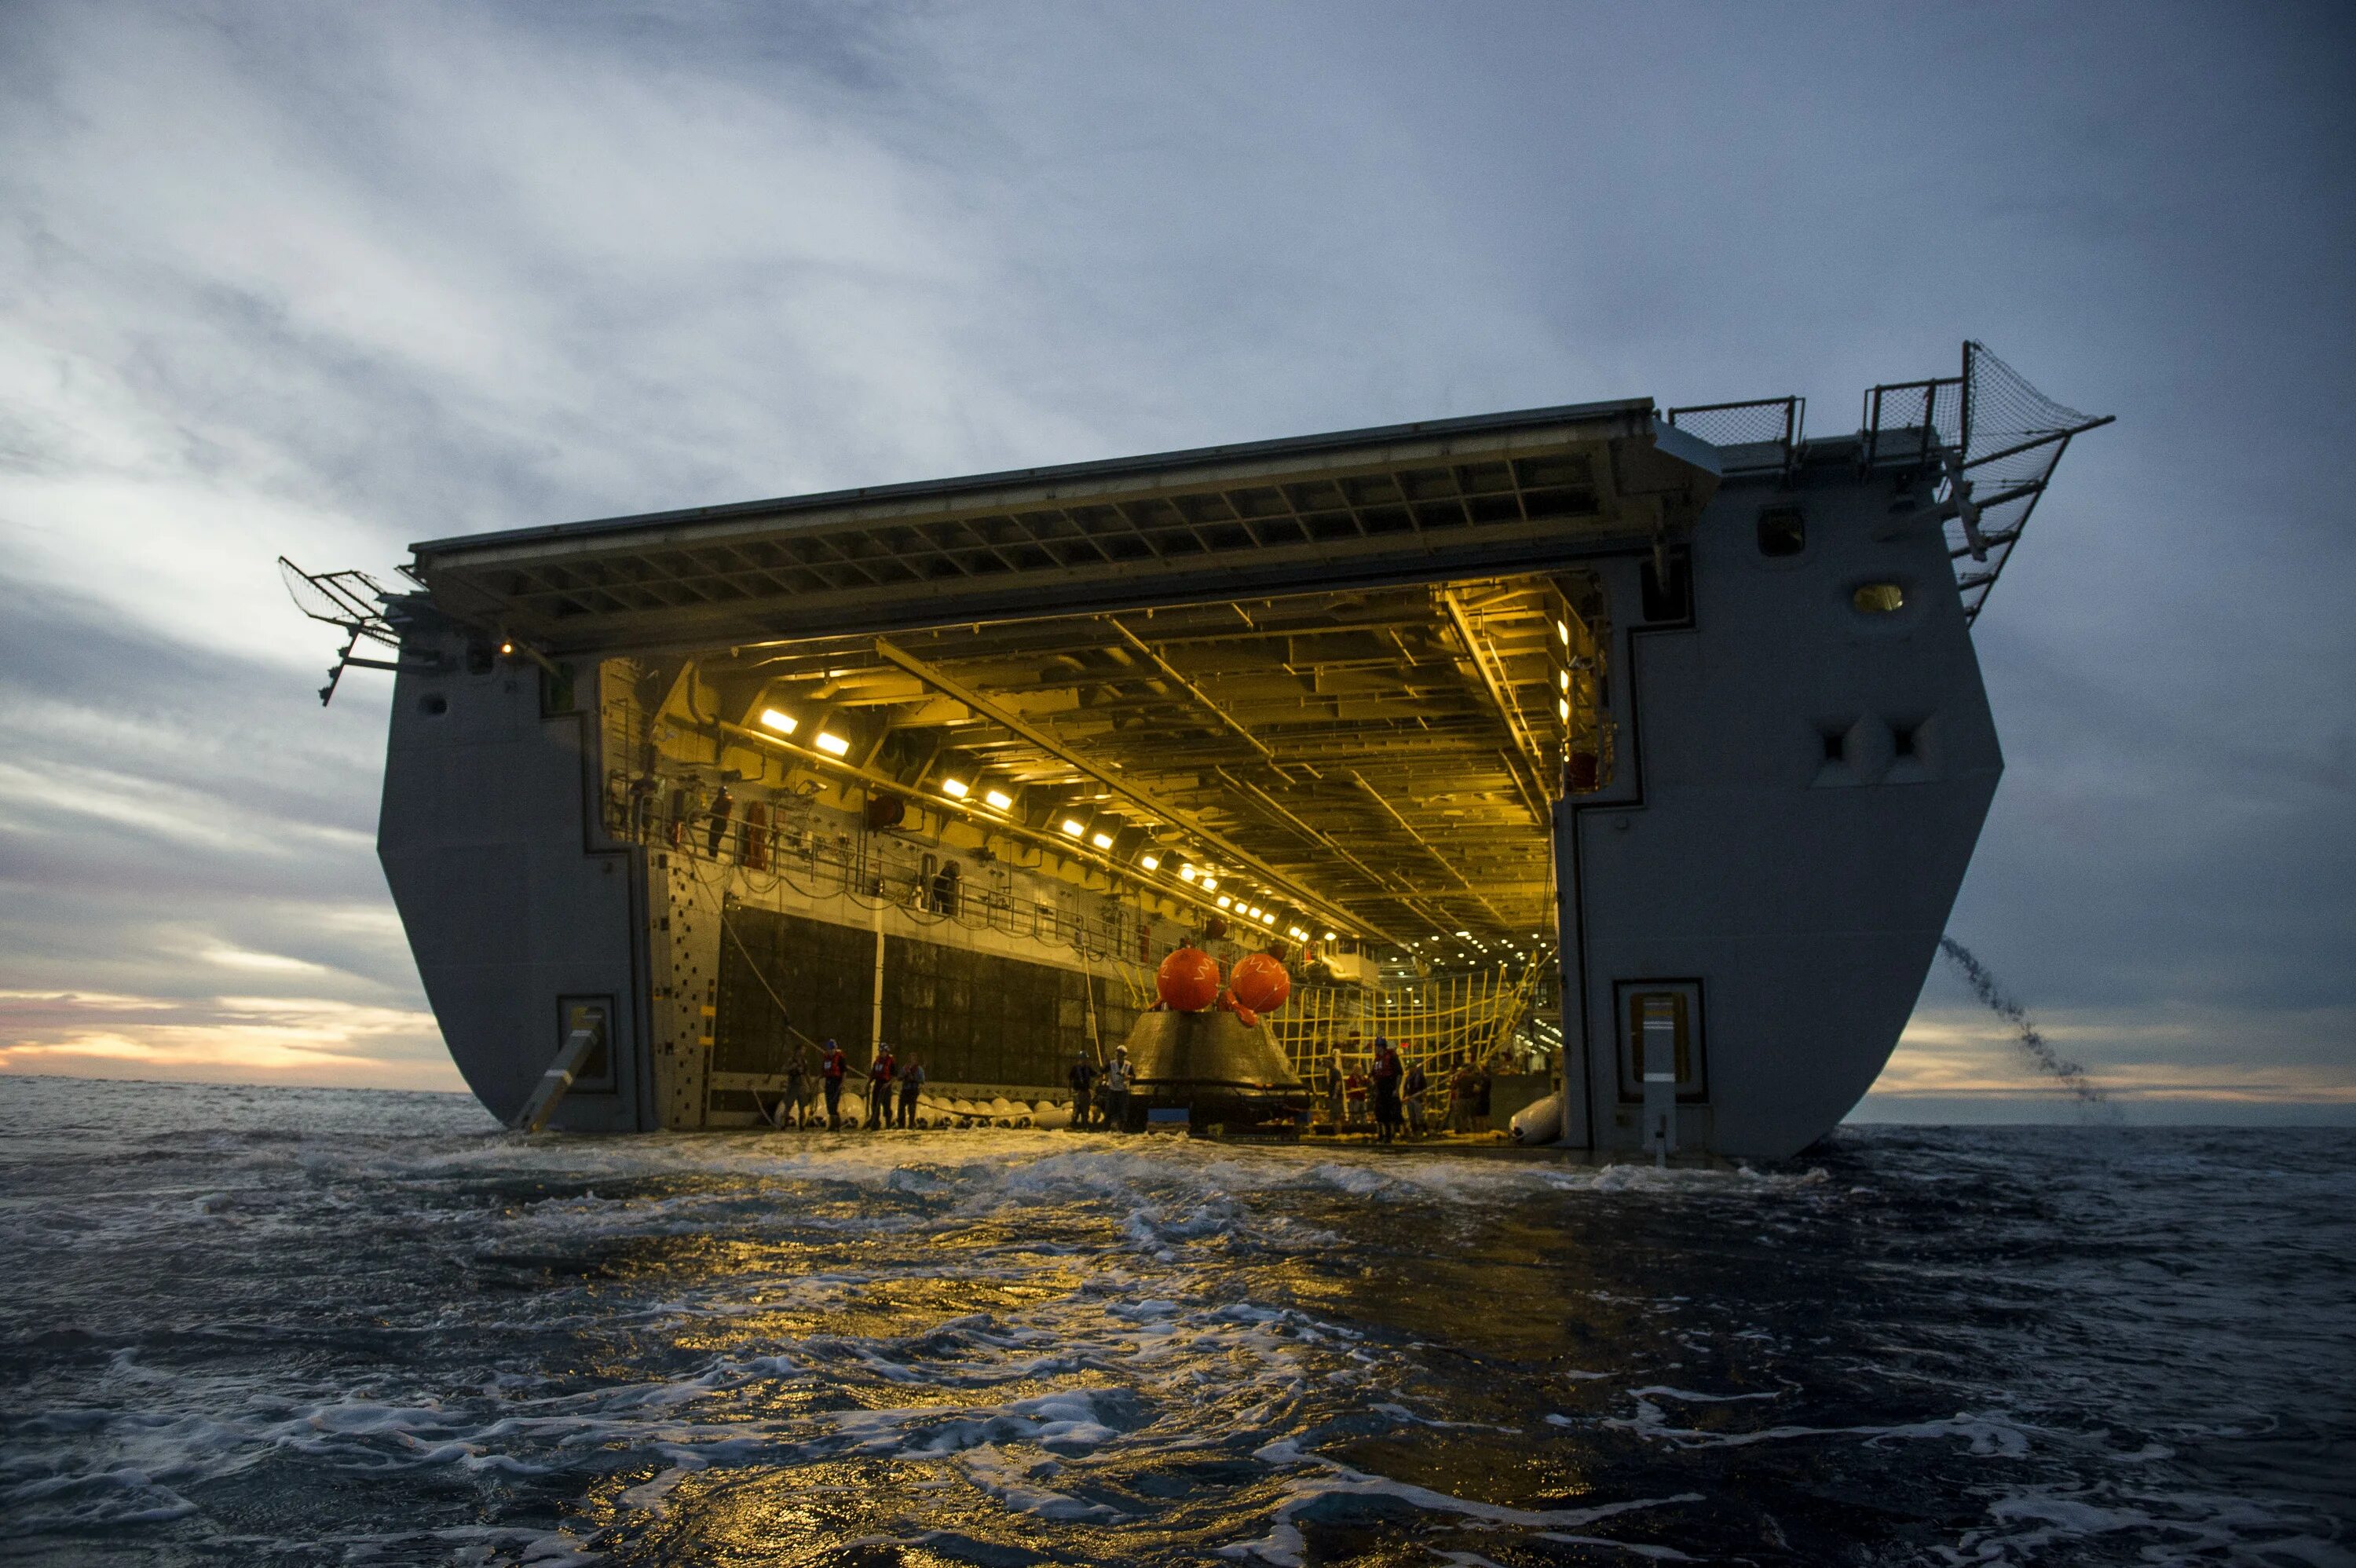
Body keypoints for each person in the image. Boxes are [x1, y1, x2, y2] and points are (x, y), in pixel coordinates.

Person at [1369, 1035, 1402, 1143]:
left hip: (1390, 1087)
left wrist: (1396, 1089)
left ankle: (1390, 1135)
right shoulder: (1377, 1059)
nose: (1375, 1048)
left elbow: (1399, 1073)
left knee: (1390, 1113)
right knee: (1380, 1112)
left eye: (1377, 1046)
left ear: (1381, 1046)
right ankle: (1382, 1134)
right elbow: (1372, 1074)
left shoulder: (1392, 1057)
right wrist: (1373, 1083)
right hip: (1380, 1088)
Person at [866, 1042, 897, 1129]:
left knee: (886, 1106)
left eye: (883, 1051)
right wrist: (869, 1082)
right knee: (875, 1105)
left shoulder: (891, 1062)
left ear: (886, 1052)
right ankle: (875, 1123)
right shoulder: (877, 1061)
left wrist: (888, 1084)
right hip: (877, 1085)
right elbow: (873, 1074)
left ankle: (888, 1124)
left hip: (886, 1086)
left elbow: (894, 1076)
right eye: (880, 1051)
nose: (881, 1053)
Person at [820, 1037, 849, 1130]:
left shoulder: (840, 1058)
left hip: (836, 1083)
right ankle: (833, 1124)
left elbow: (844, 1071)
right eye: (829, 1049)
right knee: (829, 1104)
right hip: (828, 1082)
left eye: (832, 1049)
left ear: (835, 1048)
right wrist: (818, 1079)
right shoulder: (826, 1058)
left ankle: (836, 1124)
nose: (831, 1051)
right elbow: (824, 1071)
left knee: (834, 1103)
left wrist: (842, 1083)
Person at [1103, 1044, 1132, 1131]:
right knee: (1108, 1112)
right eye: (1117, 1053)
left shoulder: (1128, 1065)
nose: (1118, 1055)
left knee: (1123, 1113)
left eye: (1120, 1054)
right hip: (1112, 1091)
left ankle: (1121, 1130)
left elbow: (1133, 1076)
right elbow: (1103, 1070)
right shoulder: (1112, 1064)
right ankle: (1106, 1130)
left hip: (1123, 1092)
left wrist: (1127, 1077)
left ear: (1124, 1055)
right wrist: (1105, 1062)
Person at [1068, 1051, 1099, 1130]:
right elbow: (1070, 1080)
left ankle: (1084, 1124)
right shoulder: (1075, 1069)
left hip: (1085, 1092)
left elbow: (1096, 1075)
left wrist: (1101, 1073)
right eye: (1084, 1059)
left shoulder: (1088, 1069)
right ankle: (1075, 1123)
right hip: (1077, 1092)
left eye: (1086, 1059)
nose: (1085, 1061)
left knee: (1085, 1109)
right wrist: (1069, 1091)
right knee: (1078, 1108)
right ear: (1080, 1059)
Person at [1401, 1049, 1429, 1139]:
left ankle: (1421, 1131)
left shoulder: (1419, 1075)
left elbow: (1424, 1087)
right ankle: (1415, 1131)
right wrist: (1405, 1096)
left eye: (1410, 1067)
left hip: (1417, 1098)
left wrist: (1424, 1098)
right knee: (1412, 1116)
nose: (1409, 1069)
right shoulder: (1408, 1077)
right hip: (1410, 1098)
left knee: (1419, 1116)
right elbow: (1405, 1088)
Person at [783, 1047, 811, 1130]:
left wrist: (810, 1084)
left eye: (804, 1050)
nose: (803, 1051)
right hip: (792, 1085)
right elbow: (784, 1069)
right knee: (788, 1105)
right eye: (801, 1050)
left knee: (802, 1106)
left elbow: (807, 1073)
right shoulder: (791, 1061)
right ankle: (784, 1124)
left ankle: (802, 1125)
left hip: (801, 1085)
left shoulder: (804, 1062)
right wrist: (792, 1067)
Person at [897, 1058, 924, 1128]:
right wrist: (905, 1075)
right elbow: (899, 1078)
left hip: (913, 1090)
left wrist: (914, 1079)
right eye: (910, 1060)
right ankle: (901, 1125)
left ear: (916, 1061)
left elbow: (922, 1080)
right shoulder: (905, 1068)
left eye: (913, 1060)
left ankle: (911, 1124)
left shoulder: (919, 1069)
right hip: (905, 1090)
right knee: (901, 1107)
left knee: (911, 1108)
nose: (911, 1062)